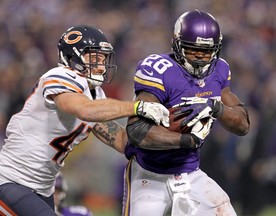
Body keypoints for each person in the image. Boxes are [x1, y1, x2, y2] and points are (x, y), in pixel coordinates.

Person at [0, 25, 171, 216]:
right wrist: (137, 107)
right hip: (11, 179)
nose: (101, 65)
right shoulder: (59, 76)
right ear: (72, 57)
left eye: (104, 59)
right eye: (95, 58)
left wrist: (171, 136)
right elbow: (84, 109)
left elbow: (122, 141)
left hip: (42, 188)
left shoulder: (95, 94)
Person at [123, 10, 250, 216]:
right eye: (193, 49)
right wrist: (186, 140)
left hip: (190, 173)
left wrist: (215, 107)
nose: (200, 56)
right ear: (177, 44)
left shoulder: (219, 70)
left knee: (225, 211)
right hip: (149, 174)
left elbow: (243, 125)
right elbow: (137, 131)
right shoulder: (160, 69)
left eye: (207, 50)